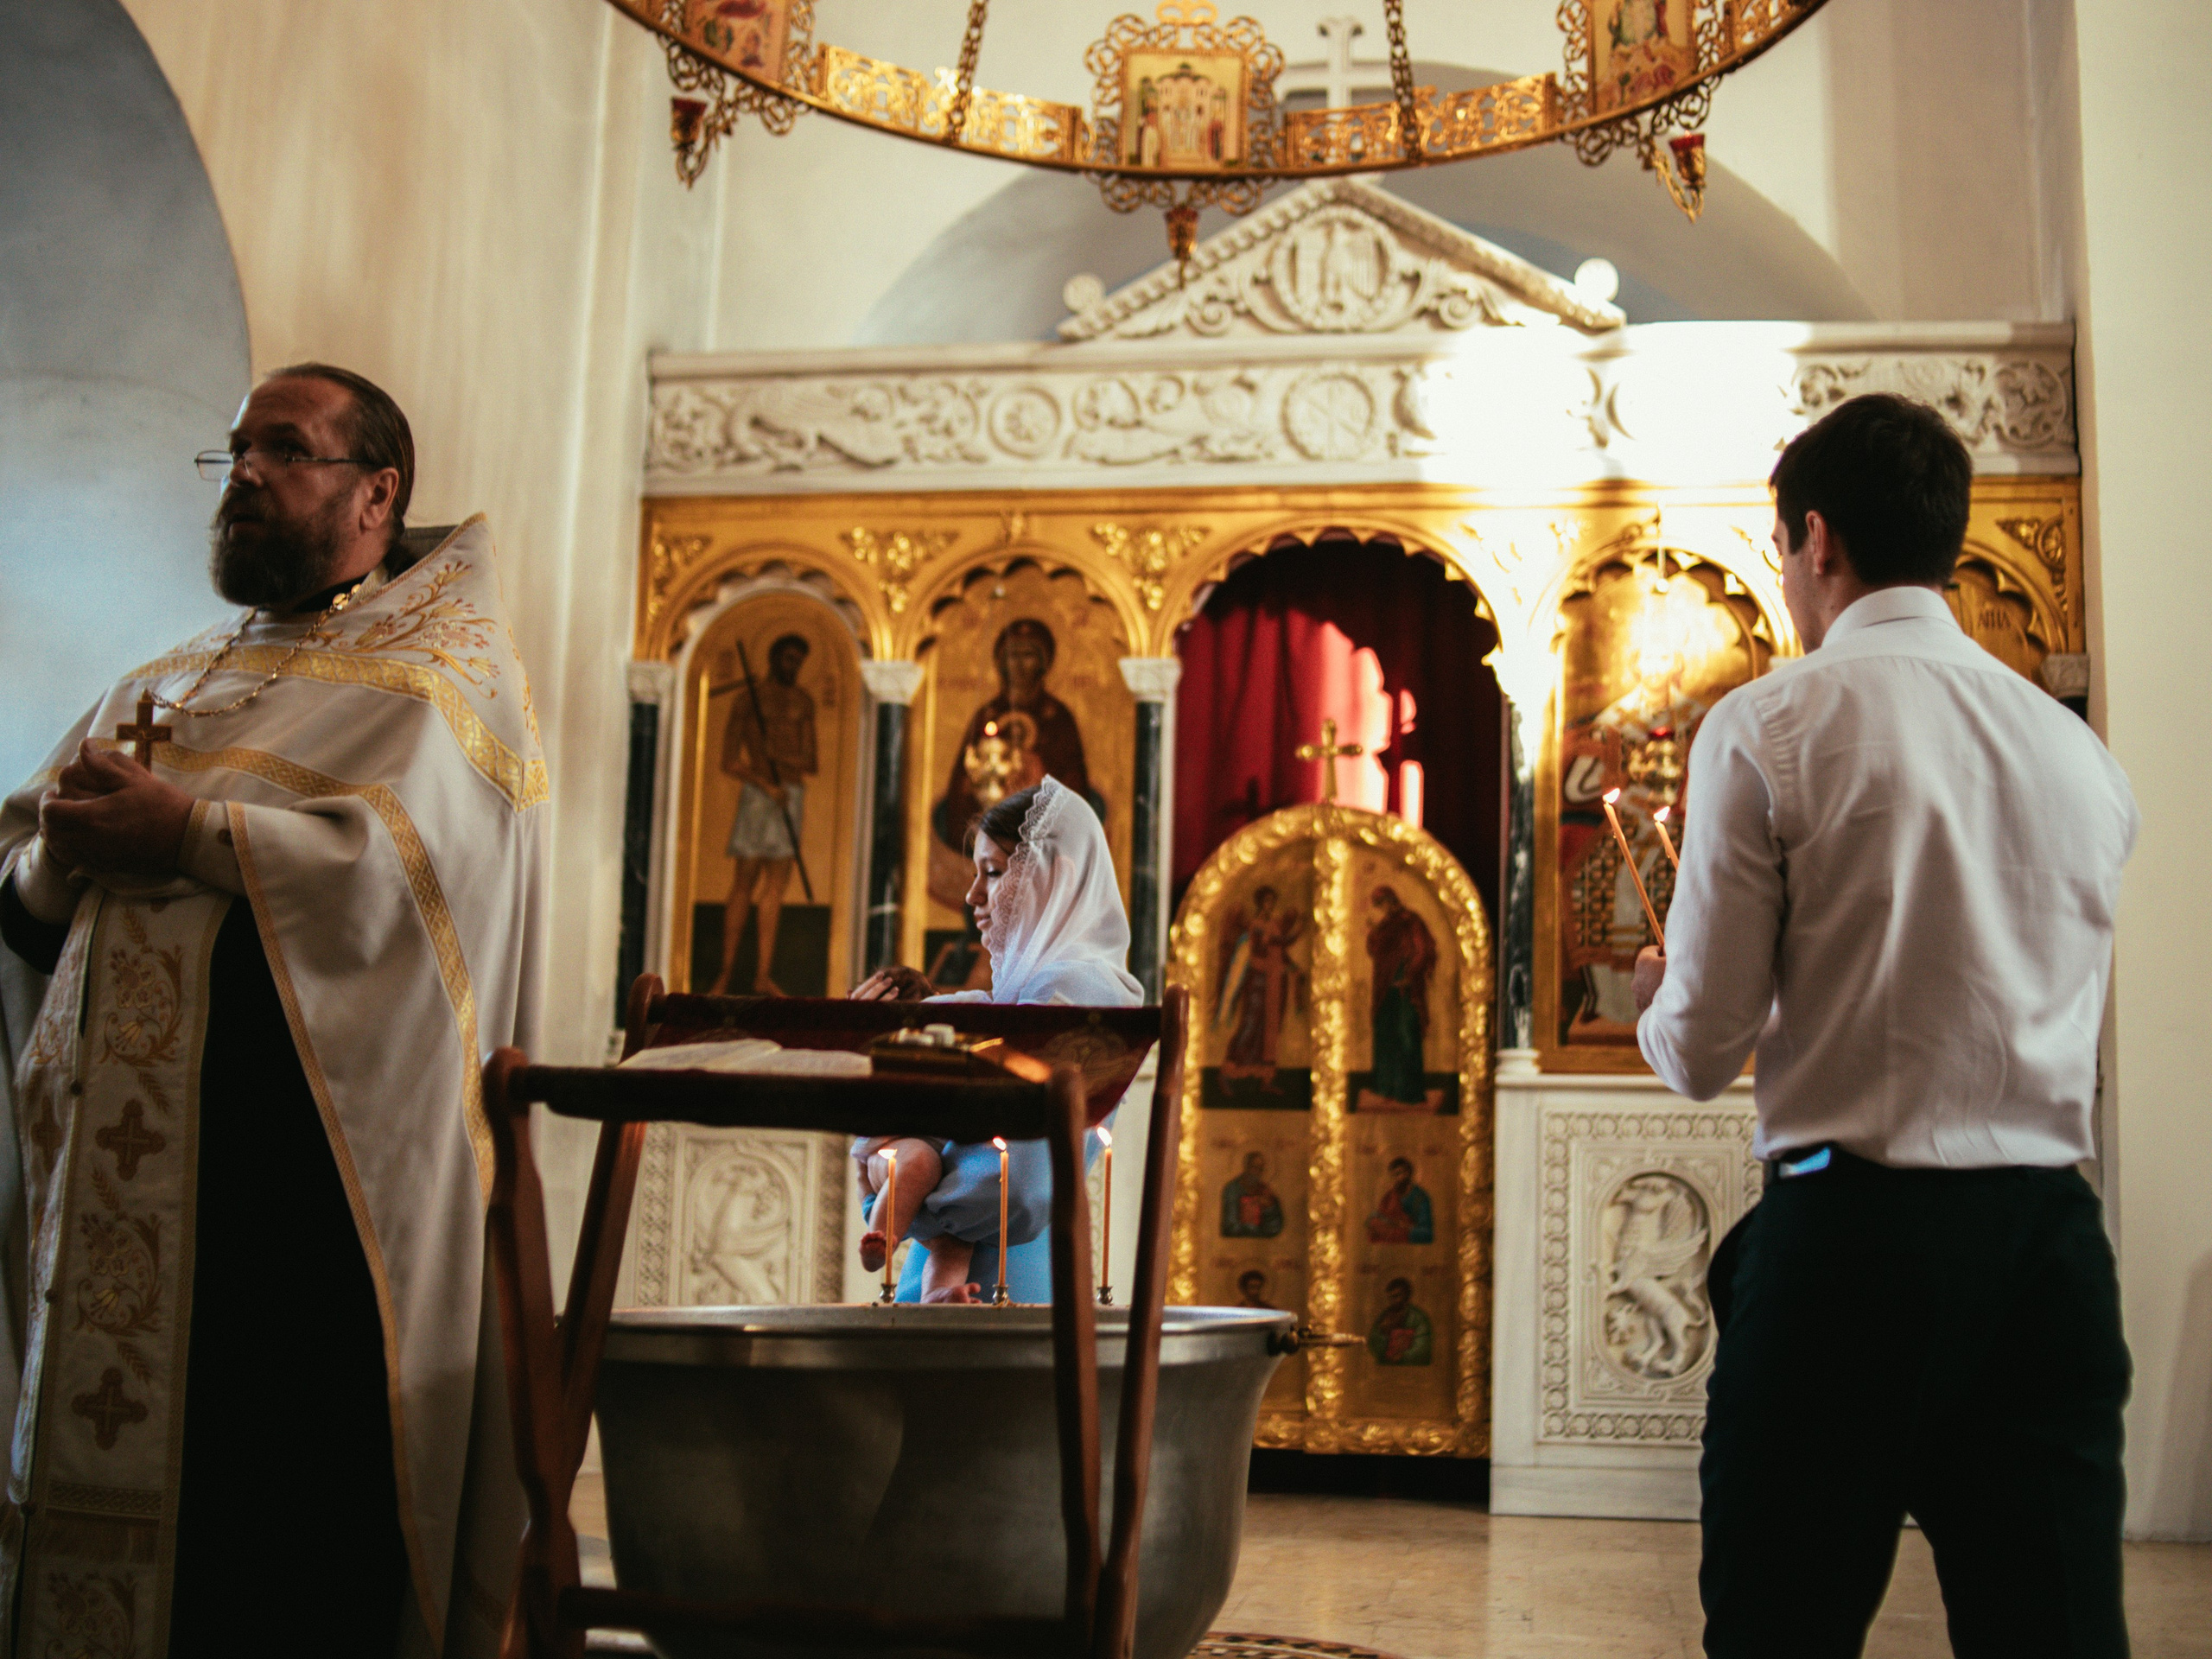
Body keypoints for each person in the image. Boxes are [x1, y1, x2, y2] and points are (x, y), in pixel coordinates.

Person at [0, 365, 543, 1657]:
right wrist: (61, 863)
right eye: (235, 450)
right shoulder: (169, 680)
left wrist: (187, 834)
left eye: (285, 450)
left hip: (300, 1218)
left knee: (271, 1550)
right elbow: (21, 893)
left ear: (377, 494)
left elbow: (405, 899)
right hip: (107, 1215)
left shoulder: (445, 684)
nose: (245, 473)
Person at [1631, 393, 2138, 1657]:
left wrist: (1656, 1005)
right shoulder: (2076, 754)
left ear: (1815, 539)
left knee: (1781, 1628)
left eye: (1782, 551)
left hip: (1850, 1249)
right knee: (2054, 1634)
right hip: (2047, 1248)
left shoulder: (1770, 724)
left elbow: (1703, 1047)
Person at [851, 777, 1142, 1302]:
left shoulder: (1078, 991)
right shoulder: (1030, 992)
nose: (972, 896)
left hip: (1007, 1271)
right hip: (982, 1260)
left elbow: (1019, 1188)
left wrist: (902, 1193)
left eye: (992, 872)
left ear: (1055, 876)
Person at [713, 631, 817, 995]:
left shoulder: (803, 702)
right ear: (774, 658)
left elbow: (811, 761)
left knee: (775, 887)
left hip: (790, 796)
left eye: (799, 661)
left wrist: (781, 755)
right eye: (788, 658)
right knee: (744, 881)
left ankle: (762, 976)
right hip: (758, 797)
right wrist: (764, 783)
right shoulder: (748, 699)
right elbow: (729, 760)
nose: (793, 667)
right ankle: (726, 972)